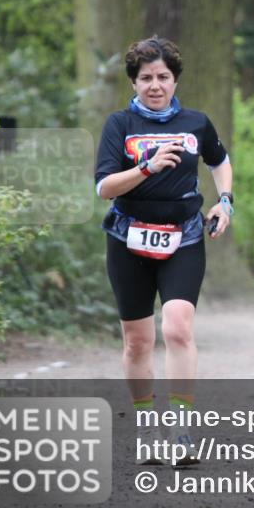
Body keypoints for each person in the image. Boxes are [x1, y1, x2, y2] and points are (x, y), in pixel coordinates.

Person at [95, 36, 233, 465]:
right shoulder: (120, 125)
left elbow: (219, 160)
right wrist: (146, 167)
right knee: (138, 342)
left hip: (185, 237)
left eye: (163, 77)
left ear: (175, 79)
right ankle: (146, 428)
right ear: (134, 83)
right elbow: (103, 188)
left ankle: (181, 430)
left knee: (178, 326)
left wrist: (224, 200)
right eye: (146, 78)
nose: (155, 85)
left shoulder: (196, 122)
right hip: (128, 239)